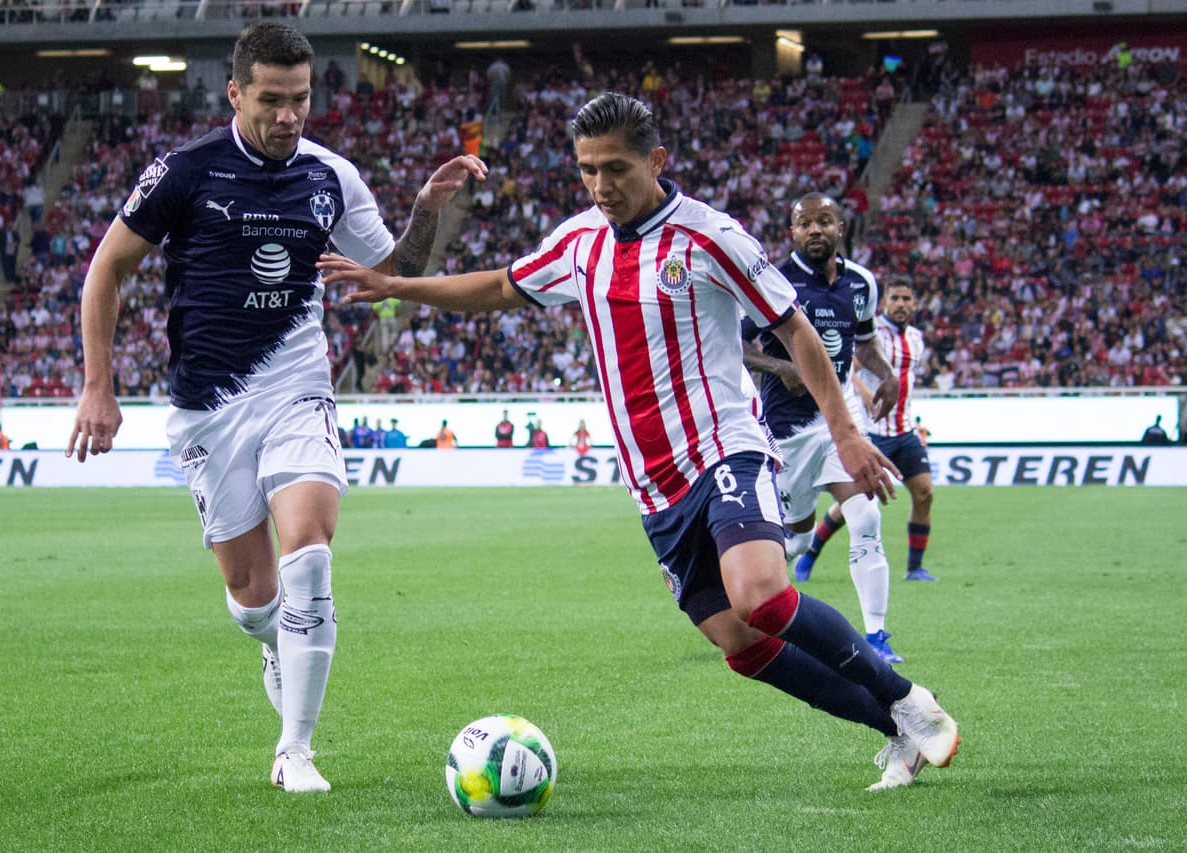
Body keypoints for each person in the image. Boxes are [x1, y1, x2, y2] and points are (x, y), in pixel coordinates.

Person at [322, 92, 959, 791]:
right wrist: (399, 285)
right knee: (742, 644)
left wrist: (847, 433)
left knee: (763, 596)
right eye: (587, 170)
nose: (601, 185)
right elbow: (503, 287)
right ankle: (896, 732)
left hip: (724, 446)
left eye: (616, 168)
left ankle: (907, 698)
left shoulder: (710, 236)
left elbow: (795, 329)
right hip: (654, 483)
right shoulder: (579, 241)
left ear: (656, 161)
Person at [64, 22, 487, 794]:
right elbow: (107, 269)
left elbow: (391, 273)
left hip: (297, 386)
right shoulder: (184, 172)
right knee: (254, 598)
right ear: (235, 93)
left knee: (311, 551)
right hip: (208, 406)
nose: (289, 114)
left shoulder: (331, 176)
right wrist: (98, 384)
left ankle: (295, 749)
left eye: (301, 98)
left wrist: (426, 207)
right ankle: (271, 639)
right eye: (271, 100)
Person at [742, 192, 908, 664]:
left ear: (840, 228)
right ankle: (754, 601)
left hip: (839, 423)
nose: (815, 230)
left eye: (825, 221)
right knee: (793, 537)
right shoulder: (773, 281)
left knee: (867, 518)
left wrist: (887, 374)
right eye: (805, 223)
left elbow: (865, 343)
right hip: (788, 430)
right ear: (792, 232)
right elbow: (738, 345)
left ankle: (877, 638)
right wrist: (780, 367)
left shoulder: (861, 283)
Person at [794, 282, 940, 585]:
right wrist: (864, 395)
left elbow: (906, 381)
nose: (901, 304)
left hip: (904, 430)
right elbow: (851, 370)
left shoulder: (916, 338)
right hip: (871, 433)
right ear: (884, 301)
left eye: (907, 298)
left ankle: (915, 568)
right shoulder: (873, 336)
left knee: (925, 493)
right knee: (854, 503)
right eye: (895, 298)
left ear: (915, 304)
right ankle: (810, 554)